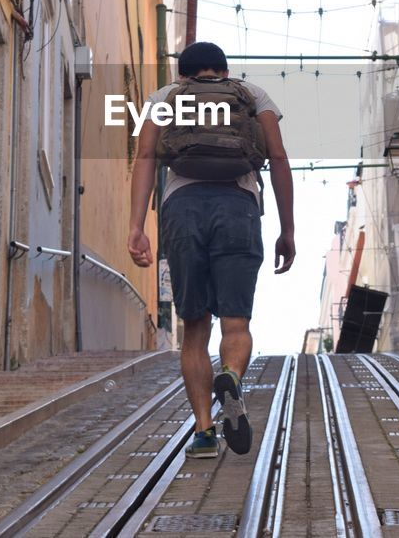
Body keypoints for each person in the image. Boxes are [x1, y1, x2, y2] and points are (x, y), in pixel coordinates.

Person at [127, 41, 296, 459]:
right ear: (224, 71)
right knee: (235, 324)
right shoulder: (253, 95)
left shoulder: (164, 97)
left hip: (182, 211)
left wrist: (136, 227)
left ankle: (204, 431)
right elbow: (277, 156)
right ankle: (233, 376)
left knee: (195, 327)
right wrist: (287, 230)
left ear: (183, 75)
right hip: (237, 206)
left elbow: (146, 155)